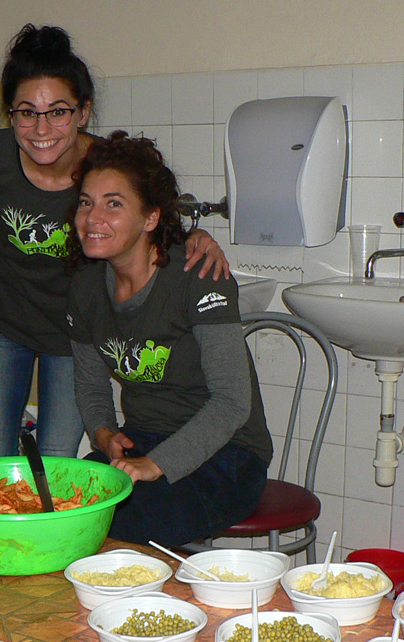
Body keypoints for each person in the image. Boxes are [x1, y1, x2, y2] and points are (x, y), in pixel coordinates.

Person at [0, 24, 228, 460]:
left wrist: (197, 236)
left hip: (76, 332)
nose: (41, 128)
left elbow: (151, 220)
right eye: (27, 112)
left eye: (58, 111)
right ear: (10, 113)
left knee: (57, 459)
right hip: (3, 321)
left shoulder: (106, 167)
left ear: (83, 112)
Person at [66, 132, 272, 547]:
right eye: (86, 202)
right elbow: (90, 384)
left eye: (113, 204)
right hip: (143, 439)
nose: (92, 217)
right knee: (66, 500)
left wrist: (155, 465)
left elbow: (232, 402)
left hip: (230, 453)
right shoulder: (85, 288)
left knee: (126, 517)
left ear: (150, 218)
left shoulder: (198, 276)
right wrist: (104, 434)